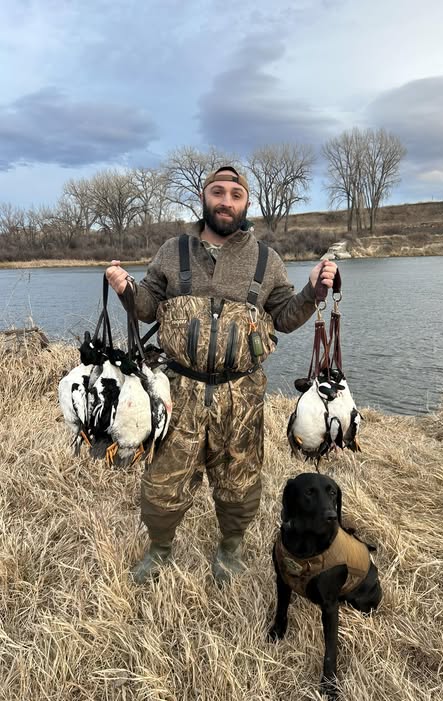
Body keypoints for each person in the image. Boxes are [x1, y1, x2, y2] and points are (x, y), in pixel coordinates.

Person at [106, 165, 338, 585]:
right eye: (218, 192)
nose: (226, 201)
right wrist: (126, 288)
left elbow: (284, 317)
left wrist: (312, 293)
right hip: (177, 391)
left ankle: (230, 548)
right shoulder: (173, 251)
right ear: (204, 197)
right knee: (163, 482)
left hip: (240, 395)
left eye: (235, 194)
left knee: (239, 483)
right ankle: (159, 550)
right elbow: (148, 307)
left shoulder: (266, 260)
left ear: (246, 203)